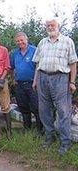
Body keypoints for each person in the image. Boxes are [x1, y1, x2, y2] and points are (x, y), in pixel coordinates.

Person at [32, 19, 78, 155]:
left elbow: (73, 63)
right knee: (44, 109)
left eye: (52, 25)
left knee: (63, 111)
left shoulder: (67, 41)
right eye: (48, 26)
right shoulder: (42, 42)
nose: (50, 27)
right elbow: (37, 64)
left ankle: (65, 142)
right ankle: (49, 137)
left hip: (61, 78)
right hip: (43, 77)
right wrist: (35, 81)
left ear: (58, 27)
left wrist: (72, 82)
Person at [10, 32, 43, 134]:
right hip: (19, 84)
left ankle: (40, 131)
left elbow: (39, 66)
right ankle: (27, 129)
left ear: (26, 40)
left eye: (22, 40)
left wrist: (36, 81)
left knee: (36, 107)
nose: (20, 42)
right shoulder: (15, 53)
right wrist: (13, 79)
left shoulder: (34, 50)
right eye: (18, 41)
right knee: (23, 107)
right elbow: (11, 68)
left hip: (33, 84)